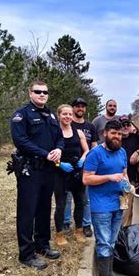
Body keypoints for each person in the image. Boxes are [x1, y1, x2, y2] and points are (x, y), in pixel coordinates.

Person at [10, 81, 63, 270]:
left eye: (45, 92)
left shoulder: (50, 115)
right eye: (38, 92)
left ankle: (43, 245)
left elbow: (59, 137)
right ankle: (26, 253)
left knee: (44, 208)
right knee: (27, 211)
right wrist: (44, 153)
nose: (42, 94)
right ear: (30, 93)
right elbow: (20, 141)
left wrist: (59, 148)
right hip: (30, 168)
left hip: (48, 170)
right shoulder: (21, 115)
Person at [83, 120, 128, 276]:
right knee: (103, 243)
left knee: (112, 240)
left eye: (120, 134)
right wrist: (109, 177)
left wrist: (128, 185)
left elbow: (124, 172)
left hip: (118, 203)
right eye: (113, 133)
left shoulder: (122, 152)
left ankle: (110, 273)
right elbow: (86, 179)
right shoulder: (95, 154)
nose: (117, 137)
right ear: (105, 134)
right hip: (101, 206)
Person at [53, 104, 89, 247]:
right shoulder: (54, 132)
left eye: (69, 114)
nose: (67, 117)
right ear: (59, 116)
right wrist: (59, 163)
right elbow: (50, 154)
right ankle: (59, 234)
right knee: (61, 204)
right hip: (60, 173)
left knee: (79, 202)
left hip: (76, 172)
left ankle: (79, 230)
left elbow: (87, 151)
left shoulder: (79, 132)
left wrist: (82, 160)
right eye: (64, 114)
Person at [63, 98, 98, 237]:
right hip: (68, 166)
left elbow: (94, 146)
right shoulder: (66, 125)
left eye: (83, 106)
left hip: (86, 167)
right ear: (72, 108)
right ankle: (65, 222)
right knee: (67, 197)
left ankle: (86, 224)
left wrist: (94, 164)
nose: (80, 109)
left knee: (85, 198)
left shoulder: (90, 127)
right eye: (77, 106)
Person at [120, 114, 139, 226]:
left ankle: (126, 229)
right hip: (116, 177)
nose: (125, 127)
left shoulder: (136, 138)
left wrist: (137, 152)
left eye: (127, 124)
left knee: (129, 206)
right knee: (118, 206)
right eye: (122, 125)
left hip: (131, 177)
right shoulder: (115, 138)